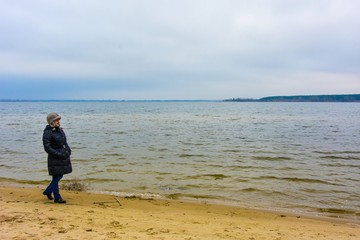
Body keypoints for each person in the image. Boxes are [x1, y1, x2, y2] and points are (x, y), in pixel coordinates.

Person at [42, 113, 72, 203]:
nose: (58, 122)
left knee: (60, 175)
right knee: (56, 177)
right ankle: (57, 198)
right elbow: (47, 147)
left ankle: (48, 191)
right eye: (56, 120)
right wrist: (57, 154)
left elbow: (64, 142)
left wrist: (68, 150)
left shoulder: (59, 130)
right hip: (54, 158)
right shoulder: (47, 133)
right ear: (51, 122)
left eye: (59, 120)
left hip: (62, 156)